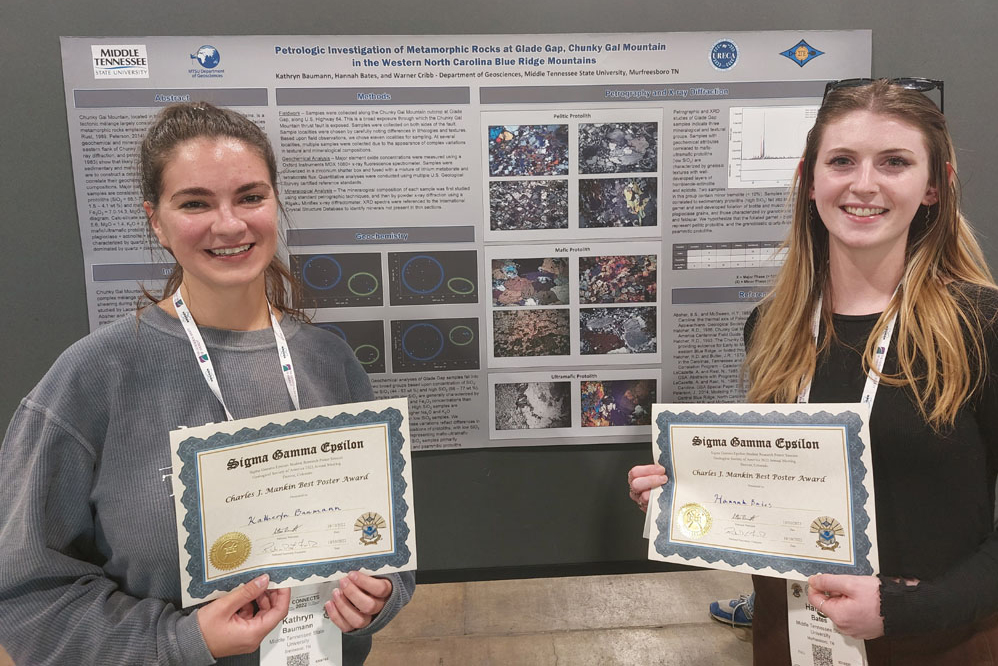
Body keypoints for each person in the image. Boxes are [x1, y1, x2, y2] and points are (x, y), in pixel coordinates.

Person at [0, 102, 414, 665]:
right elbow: (26, 599)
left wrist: (381, 597)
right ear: (156, 220)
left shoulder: (328, 360)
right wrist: (180, 642)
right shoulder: (92, 377)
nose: (230, 223)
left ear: (274, 204)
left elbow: (388, 545)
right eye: (195, 202)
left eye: (250, 196)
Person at [628, 78, 998, 664]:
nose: (864, 184)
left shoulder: (980, 324)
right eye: (842, 161)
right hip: (792, 636)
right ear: (810, 180)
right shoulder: (773, 323)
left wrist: (907, 610)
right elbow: (780, 484)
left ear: (934, 186)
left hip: (937, 642)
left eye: (895, 162)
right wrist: (691, 503)